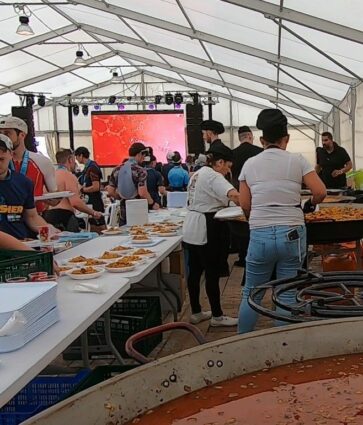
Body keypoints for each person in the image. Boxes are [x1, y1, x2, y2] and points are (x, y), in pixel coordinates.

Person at [237, 109, 327, 334]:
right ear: (286, 139)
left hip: (260, 233)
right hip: (292, 233)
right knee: (287, 292)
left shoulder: (249, 164)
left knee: (252, 292)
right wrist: (310, 204)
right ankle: (282, 343)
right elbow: (320, 191)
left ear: (261, 140)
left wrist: (253, 221)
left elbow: (245, 204)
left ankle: (240, 343)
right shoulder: (297, 160)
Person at [183, 143, 240, 327]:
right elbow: (234, 195)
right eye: (227, 167)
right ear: (220, 162)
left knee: (195, 271)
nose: (226, 172)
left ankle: (196, 311)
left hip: (191, 223)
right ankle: (217, 315)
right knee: (212, 271)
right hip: (209, 225)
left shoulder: (197, 173)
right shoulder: (214, 176)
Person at [0, 134, 57, 240]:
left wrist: (48, 229)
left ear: (11, 155)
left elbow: (31, 216)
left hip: (20, 244)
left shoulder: (24, 183)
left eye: (1, 159)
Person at [0, 116, 57, 213]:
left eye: (7, 133)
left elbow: (54, 196)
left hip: (35, 216)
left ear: (22, 135)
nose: (3, 137)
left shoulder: (42, 161)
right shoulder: (3, 161)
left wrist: (52, 200)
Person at [43, 149, 103, 231]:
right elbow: (75, 202)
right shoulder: (68, 176)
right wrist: (93, 212)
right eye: (74, 160)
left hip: (48, 216)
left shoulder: (51, 176)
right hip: (64, 217)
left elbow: (45, 199)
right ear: (70, 159)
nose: (75, 163)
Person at [231, 126, 263, 269]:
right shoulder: (260, 152)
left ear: (239, 138)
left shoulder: (232, 154)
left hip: (239, 193)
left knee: (242, 226)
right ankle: (259, 254)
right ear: (250, 136)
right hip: (258, 193)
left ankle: (243, 257)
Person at [117, 142, 159, 224]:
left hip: (123, 208)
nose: (144, 158)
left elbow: (111, 190)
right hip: (137, 208)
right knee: (139, 233)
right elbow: (142, 192)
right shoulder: (140, 170)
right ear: (140, 154)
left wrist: (123, 197)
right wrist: (152, 203)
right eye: (143, 155)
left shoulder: (117, 169)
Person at [75, 146, 105, 232]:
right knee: (93, 227)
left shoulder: (92, 167)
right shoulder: (86, 168)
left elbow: (96, 187)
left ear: (81, 155)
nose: (76, 159)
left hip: (95, 202)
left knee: (100, 228)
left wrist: (82, 190)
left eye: (76, 157)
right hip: (89, 202)